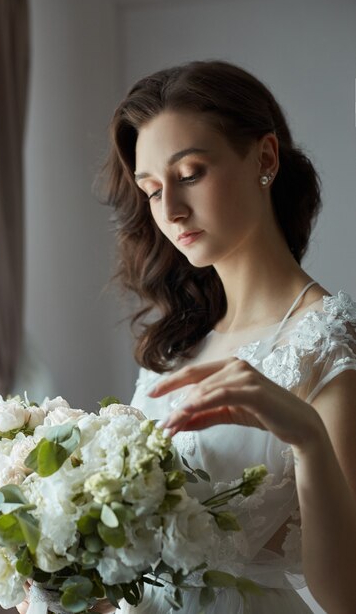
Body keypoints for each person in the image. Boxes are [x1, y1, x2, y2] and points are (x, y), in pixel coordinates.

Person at [18, 60, 356, 613]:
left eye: (191, 173)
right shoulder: (176, 347)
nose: (171, 210)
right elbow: (146, 566)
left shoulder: (328, 343)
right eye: (151, 190)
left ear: (264, 159)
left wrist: (309, 438)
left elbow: (347, 597)